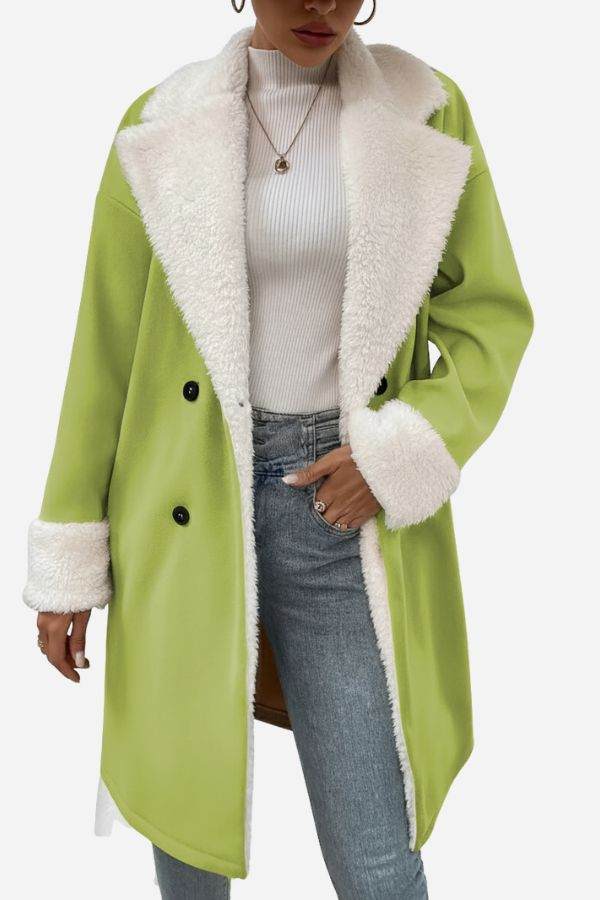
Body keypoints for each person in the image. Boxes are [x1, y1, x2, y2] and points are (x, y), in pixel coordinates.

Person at [23, 1, 534, 897]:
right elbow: (103, 353)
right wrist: (69, 558)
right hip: (182, 509)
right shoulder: (162, 122)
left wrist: (396, 455)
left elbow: (492, 318)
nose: (323, 8)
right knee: (186, 829)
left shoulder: (425, 110)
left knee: (377, 859)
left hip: (337, 506)